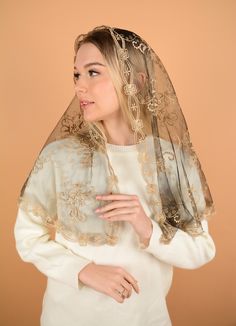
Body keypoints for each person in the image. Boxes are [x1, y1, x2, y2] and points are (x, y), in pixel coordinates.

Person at [14, 26, 216, 326]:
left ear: (135, 80)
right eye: (76, 75)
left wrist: (147, 228)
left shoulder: (172, 162)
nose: (80, 86)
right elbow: (27, 238)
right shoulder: (61, 156)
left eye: (93, 72)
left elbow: (201, 250)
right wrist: (82, 270)